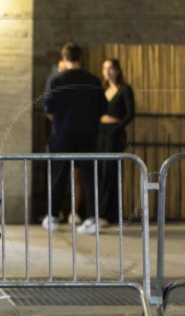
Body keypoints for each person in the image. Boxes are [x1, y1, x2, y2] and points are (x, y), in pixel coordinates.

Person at [42, 43, 107, 234]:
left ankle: (53, 217)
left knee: (59, 175)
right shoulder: (94, 81)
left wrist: (61, 121)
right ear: (80, 58)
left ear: (64, 58)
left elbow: (48, 109)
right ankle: (91, 219)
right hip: (88, 135)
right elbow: (103, 109)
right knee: (88, 176)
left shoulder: (56, 80)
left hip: (63, 135)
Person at [97, 58, 135, 224]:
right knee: (100, 171)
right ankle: (100, 212)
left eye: (111, 68)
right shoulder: (102, 90)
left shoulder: (125, 89)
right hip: (101, 132)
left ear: (117, 70)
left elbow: (130, 113)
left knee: (110, 171)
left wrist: (116, 127)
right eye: (105, 68)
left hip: (115, 133)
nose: (108, 71)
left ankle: (109, 214)